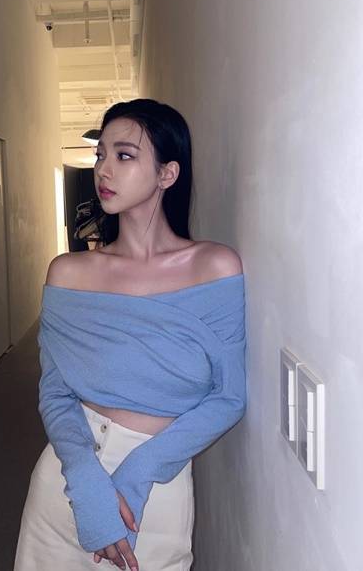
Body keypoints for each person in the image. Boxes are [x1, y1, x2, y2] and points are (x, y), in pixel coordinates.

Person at [13, 99, 247, 571]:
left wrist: (138, 474)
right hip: (69, 480)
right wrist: (85, 480)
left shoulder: (214, 268)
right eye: (100, 154)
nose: (103, 169)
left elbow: (229, 397)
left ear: (167, 174)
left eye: (124, 155)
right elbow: (55, 390)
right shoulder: (68, 273)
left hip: (156, 488)